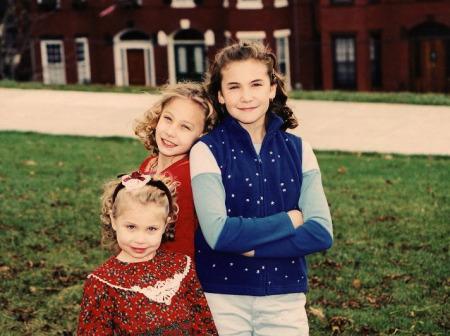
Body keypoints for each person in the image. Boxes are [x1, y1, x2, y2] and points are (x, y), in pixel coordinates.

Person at [189, 41, 333, 335]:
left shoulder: (299, 149)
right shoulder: (206, 150)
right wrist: (289, 220)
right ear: (220, 95)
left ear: (272, 88)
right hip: (222, 297)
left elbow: (320, 232)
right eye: (234, 87)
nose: (246, 97)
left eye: (256, 84)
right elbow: (219, 233)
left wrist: (251, 250)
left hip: (285, 298)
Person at [77, 172, 218, 335]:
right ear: (114, 221)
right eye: (131, 227)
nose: (140, 239)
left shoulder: (181, 267)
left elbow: (203, 324)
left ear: (165, 225)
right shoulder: (102, 282)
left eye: (151, 229)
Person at [134, 82, 217, 259]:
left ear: (202, 135)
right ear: (157, 117)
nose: (171, 132)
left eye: (185, 127)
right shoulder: (150, 163)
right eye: (168, 119)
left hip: (168, 267)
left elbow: (183, 241)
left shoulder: (187, 177)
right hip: (140, 252)